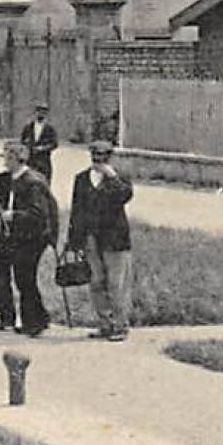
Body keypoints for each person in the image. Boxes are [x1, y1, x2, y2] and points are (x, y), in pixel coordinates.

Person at [66, 138, 135, 341]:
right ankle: (104, 323)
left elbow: (125, 196)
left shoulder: (120, 177)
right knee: (96, 281)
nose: (98, 160)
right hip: (90, 238)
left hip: (114, 239)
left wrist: (112, 177)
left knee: (116, 284)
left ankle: (120, 325)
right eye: (95, 155)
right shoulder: (81, 178)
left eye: (103, 156)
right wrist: (73, 240)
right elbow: (76, 210)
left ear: (110, 157)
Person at [0, 141, 55, 336]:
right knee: (12, 276)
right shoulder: (6, 179)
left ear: (19, 159)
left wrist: (14, 215)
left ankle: (33, 321)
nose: (5, 162)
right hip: (12, 236)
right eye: (4, 157)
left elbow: (38, 215)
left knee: (25, 278)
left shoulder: (33, 182)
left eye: (8, 158)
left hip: (32, 238)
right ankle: (28, 318)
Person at [21, 102, 59, 180]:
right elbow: (22, 142)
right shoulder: (28, 128)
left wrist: (43, 148)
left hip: (44, 162)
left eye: (44, 113)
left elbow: (54, 144)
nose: (41, 114)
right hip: (30, 161)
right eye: (39, 112)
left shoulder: (50, 129)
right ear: (35, 113)